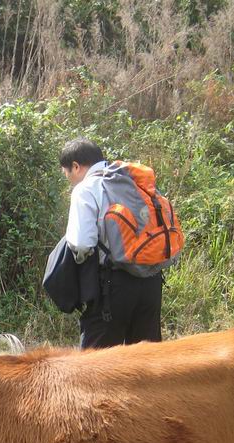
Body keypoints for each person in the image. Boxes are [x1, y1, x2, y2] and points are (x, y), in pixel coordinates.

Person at [61, 137, 164, 348]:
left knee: (96, 367)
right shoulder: (134, 179)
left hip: (112, 285)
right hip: (151, 280)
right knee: (146, 362)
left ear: (76, 166)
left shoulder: (86, 189)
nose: (68, 178)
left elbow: (81, 244)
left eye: (66, 172)